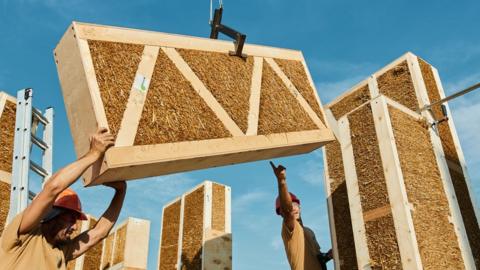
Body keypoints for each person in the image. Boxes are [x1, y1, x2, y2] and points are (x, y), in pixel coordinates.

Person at [0, 127, 126, 270]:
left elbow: (100, 233)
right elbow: (53, 188)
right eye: (71, 219)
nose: (75, 227)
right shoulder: (24, 234)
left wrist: (121, 191)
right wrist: (93, 154)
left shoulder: (61, 251)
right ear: (52, 214)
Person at [270, 161, 333, 270]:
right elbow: (288, 211)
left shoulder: (308, 231)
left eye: (295, 205)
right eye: (290, 205)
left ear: (300, 207)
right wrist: (282, 181)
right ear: (281, 213)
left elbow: (318, 257)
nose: (293, 208)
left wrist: (328, 255)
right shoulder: (289, 229)